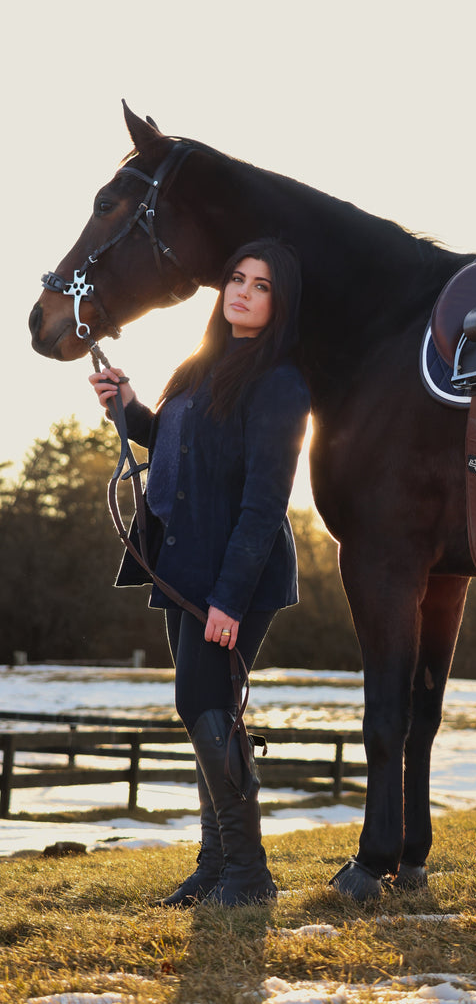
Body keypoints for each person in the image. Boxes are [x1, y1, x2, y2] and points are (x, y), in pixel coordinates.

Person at [89, 238, 311, 907]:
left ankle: (249, 875)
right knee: (203, 711)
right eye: (237, 278)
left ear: (280, 303)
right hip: (181, 566)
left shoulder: (280, 382)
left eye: (262, 285)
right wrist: (127, 406)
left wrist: (229, 599)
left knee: (204, 703)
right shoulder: (198, 366)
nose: (243, 291)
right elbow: (176, 445)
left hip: (235, 576)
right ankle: (216, 867)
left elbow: (265, 503)